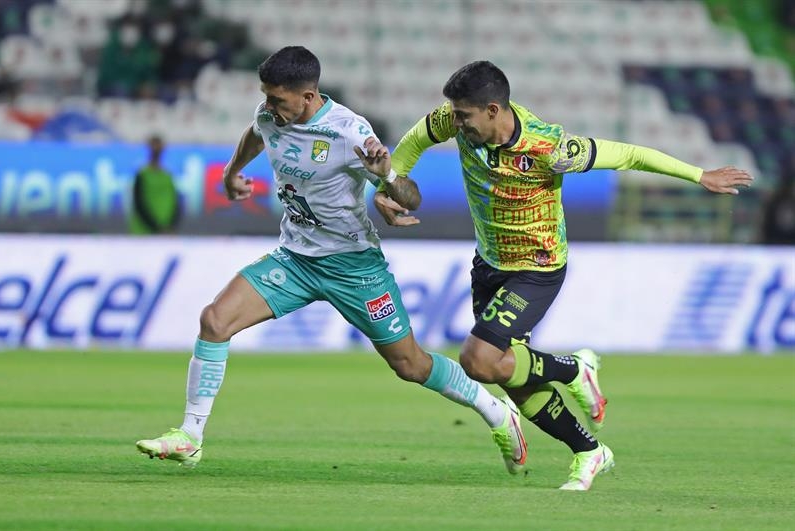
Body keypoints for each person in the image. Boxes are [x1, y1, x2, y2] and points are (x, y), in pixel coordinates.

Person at [136, 47, 528, 474]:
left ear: (308, 97)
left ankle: (495, 411)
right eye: (266, 97)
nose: (269, 106)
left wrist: (388, 177)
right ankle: (190, 436)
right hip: (295, 259)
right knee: (214, 321)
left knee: (410, 364)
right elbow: (256, 131)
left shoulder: (349, 132)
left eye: (278, 100)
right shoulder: (271, 116)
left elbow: (412, 197)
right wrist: (232, 172)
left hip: (354, 266)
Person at [376, 61, 754, 491]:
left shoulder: (550, 147)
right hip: (489, 263)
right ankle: (590, 451)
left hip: (537, 267)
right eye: (455, 114)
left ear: (494, 109)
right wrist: (392, 184)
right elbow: (413, 141)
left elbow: (628, 154)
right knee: (507, 374)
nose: (456, 123)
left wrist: (698, 174)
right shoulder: (457, 119)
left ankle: (572, 369)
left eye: (465, 116)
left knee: (478, 361)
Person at [130, 135, 181, 235]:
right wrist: (156, 227)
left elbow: (175, 203)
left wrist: (170, 226)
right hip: (144, 232)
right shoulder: (142, 175)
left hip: (164, 231)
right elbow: (139, 204)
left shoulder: (167, 176)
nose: (156, 150)